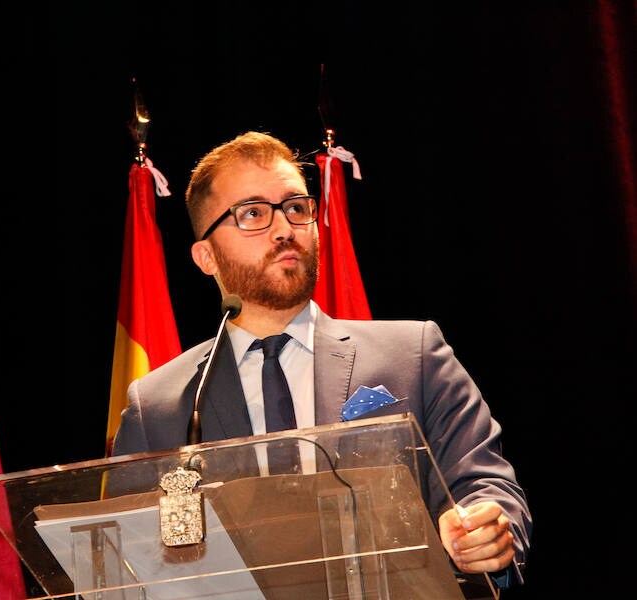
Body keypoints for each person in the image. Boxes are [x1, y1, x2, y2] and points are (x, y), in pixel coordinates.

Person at [112, 130, 531, 588]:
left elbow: (483, 486)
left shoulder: (415, 356)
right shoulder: (159, 406)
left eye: (295, 207)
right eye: (252, 213)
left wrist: (480, 531)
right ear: (206, 256)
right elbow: (124, 563)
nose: (284, 229)